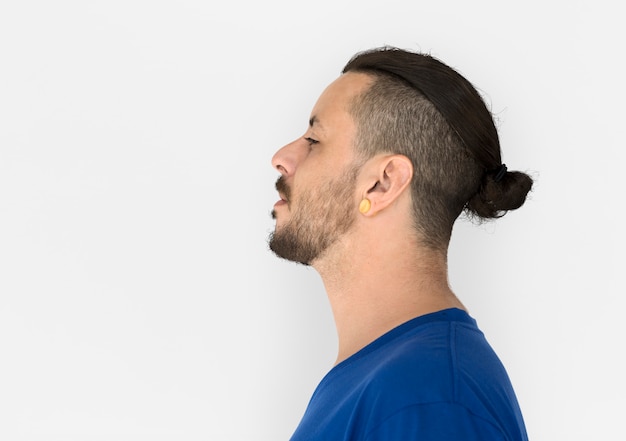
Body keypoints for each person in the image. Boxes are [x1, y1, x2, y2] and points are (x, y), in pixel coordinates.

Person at [268, 46, 532, 441]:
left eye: (314, 139)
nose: (282, 157)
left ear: (383, 182)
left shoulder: (431, 401)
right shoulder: (388, 383)